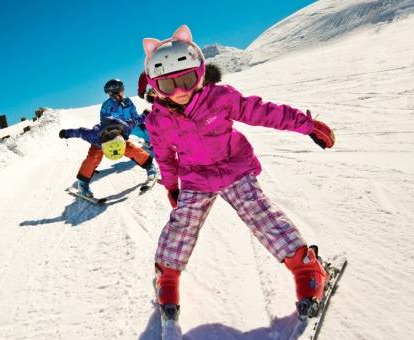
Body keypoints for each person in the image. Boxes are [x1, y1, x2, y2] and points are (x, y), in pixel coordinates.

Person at [141, 25, 336, 336]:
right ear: (156, 86)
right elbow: (165, 156)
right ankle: (167, 277)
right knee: (181, 226)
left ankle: (307, 266)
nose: (179, 90)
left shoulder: (220, 98)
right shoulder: (157, 121)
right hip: (196, 178)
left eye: (187, 79)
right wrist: (171, 186)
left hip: (235, 168)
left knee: (260, 213)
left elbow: (263, 112)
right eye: (168, 84)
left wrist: (307, 125)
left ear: (200, 73)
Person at [59, 117, 157, 198]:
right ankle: (82, 184)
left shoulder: (126, 127)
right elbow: (79, 132)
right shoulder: (93, 136)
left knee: (132, 149)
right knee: (92, 159)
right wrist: (66, 133)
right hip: (98, 143)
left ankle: (150, 168)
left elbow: (137, 120)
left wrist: (145, 114)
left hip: (119, 139)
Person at [101, 79, 151, 146]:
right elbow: (105, 123)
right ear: (115, 91)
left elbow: (135, 116)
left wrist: (144, 116)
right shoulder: (107, 106)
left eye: (123, 87)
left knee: (150, 133)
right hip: (121, 133)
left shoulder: (127, 101)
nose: (123, 90)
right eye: (121, 88)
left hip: (135, 128)